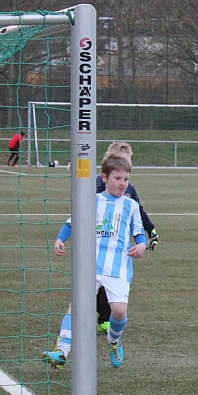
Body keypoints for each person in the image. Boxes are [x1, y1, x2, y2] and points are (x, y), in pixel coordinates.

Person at [41, 155, 147, 369]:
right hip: (89, 266)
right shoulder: (92, 200)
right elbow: (72, 223)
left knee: (119, 312)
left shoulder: (131, 205)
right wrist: (60, 239)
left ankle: (113, 342)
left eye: (126, 179)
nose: (123, 183)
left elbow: (138, 231)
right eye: (117, 178)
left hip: (117, 268)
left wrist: (141, 245)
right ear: (104, 178)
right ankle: (61, 352)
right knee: (76, 307)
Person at [95, 142, 159, 334]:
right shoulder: (99, 185)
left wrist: (150, 229)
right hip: (98, 243)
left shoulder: (129, 188)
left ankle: (104, 318)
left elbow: (139, 210)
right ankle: (93, 315)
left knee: (113, 280)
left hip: (118, 246)